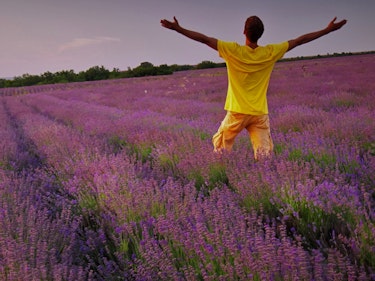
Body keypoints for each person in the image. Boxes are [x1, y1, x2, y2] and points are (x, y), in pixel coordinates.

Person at [160, 15, 347, 160]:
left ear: (244, 31)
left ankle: (219, 177)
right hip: (259, 113)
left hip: (237, 111)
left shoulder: (232, 50)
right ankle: (266, 181)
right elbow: (299, 41)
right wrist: (328, 30)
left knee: (221, 146)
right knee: (264, 155)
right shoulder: (270, 52)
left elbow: (204, 39)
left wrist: (178, 29)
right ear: (261, 34)